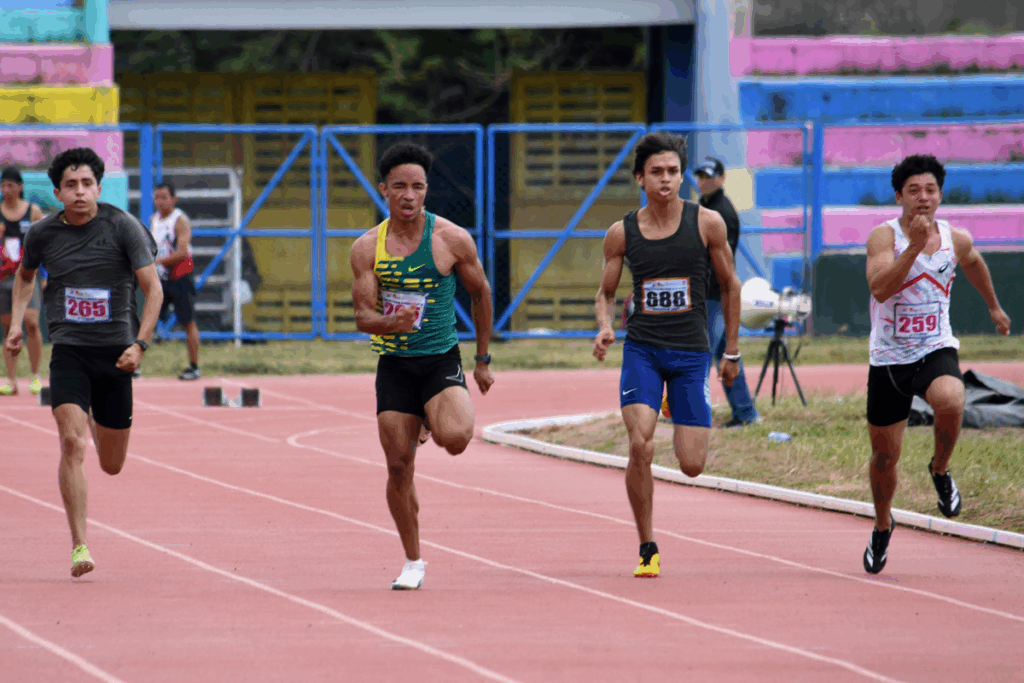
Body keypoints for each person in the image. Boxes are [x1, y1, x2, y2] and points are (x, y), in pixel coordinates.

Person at [3, 148, 162, 578]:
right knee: (72, 444)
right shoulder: (42, 233)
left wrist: (140, 345)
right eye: (70, 185)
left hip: (116, 355)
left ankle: (95, 415)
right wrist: (17, 323)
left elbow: (153, 289)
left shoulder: (123, 227)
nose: (79, 192)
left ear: (98, 186)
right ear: (57, 192)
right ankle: (79, 545)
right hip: (69, 352)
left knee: (111, 464)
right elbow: (24, 278)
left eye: (87, 184)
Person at [593, 132, 742, 578]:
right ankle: (647, 545)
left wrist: (730, 351)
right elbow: (604, 293)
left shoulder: (707, 223)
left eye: (673, 172)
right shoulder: (622, 232)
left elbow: (731, 286)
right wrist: (604, 327)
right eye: (656, 172)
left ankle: (670, 397)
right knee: (641, 444)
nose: (666, 180)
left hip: (692, 352)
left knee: (693, 465)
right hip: (642, 349)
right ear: (640, 178)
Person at [349, 142, 494, 590]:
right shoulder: (367, 247)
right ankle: (413, 560)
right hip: (394, 364)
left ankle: (433, 419)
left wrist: (483, 359)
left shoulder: (450, 239)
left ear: (426, 190)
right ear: (384, 190)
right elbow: (361, 315)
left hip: (439, 360)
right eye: (399, 187)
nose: (409, 195)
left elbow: (481, 294)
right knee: (397, 467)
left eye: (417, 187)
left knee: (456, 439)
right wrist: (390, 322)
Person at [862, 154, 1011, 574]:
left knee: (951, 398)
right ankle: (881, 524)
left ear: (940, 194)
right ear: (899, 197)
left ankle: (940, 469)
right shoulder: (882, 237)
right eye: (913, 191)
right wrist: (911, 247)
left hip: (934, 347)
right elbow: (879, 289)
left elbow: (974, 263)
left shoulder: (955, 238)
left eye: (930, 190)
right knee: (884, 459)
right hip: (889, 359)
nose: (923, 198)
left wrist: (994, 308)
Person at [694, 157, 761, 428]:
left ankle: (691, 411)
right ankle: (745, 413)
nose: (704, 181)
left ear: (721, 179)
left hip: (713, 295)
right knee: (724, 353)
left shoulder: (722, 212)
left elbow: (719, 263)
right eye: (700, 176)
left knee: (702, 353)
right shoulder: (706, 206)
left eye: (709, 176)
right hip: (708, 294)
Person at [1, 167, 46, 396]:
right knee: (9, 327)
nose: (7, 190)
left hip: (28, 276)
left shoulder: (33, 211)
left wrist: (45, 276)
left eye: (11, 185)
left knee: (31, 323)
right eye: (3, 185)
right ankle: (10, 379)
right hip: (4, 278)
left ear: (20, 186)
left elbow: (43, 245)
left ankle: (36, 375)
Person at [150, 182, 200, 380]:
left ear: (173, 199)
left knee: (187, 322)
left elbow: (182, 252)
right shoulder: (154, 220)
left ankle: (194, 366)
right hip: (161, 278)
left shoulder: (180, 220)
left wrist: (158, 261)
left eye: (164, 197)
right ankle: (133, 364)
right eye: (157, 197)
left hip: (179, 276)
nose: (160, 202)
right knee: (147, 319)